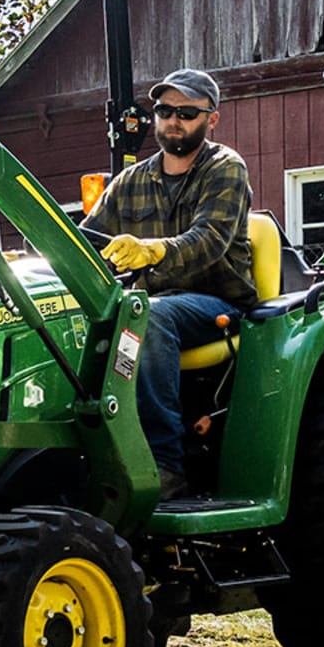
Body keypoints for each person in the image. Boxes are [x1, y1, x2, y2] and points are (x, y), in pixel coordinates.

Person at [80, 68, 257, 499]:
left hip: (217, 304)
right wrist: (28, 261)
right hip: (152, 306)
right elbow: (86, 241)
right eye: (164, 110)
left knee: (148, 314)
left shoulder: (225, 168)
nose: (173, 120)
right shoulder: (131, 181)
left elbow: (209, 240)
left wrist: (152, 250)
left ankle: (165, 464)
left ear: (212, 119)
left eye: (187, 113)